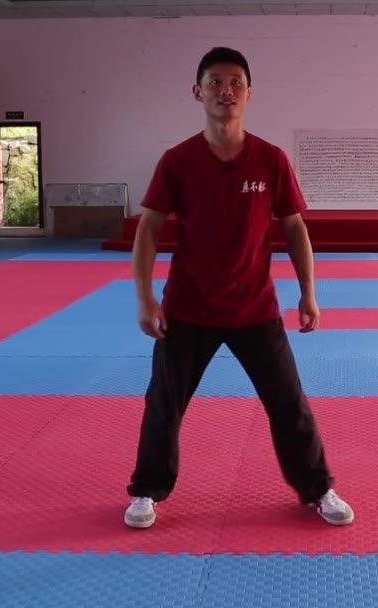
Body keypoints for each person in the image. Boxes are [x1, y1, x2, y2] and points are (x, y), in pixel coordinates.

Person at [123, 46, 354, 530]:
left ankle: (317, 488)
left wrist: (308, 292)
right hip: (187, 307)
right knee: (163, 403)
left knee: (288, 402)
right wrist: (145, 297)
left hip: (254, 306)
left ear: (249, 94)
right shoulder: (178, 160)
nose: (225, 91)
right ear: (198, 91)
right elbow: (149, 228)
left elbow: (294, 227)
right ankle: (147, 490)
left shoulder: (270, 159)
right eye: (215, 82)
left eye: (235, 83)